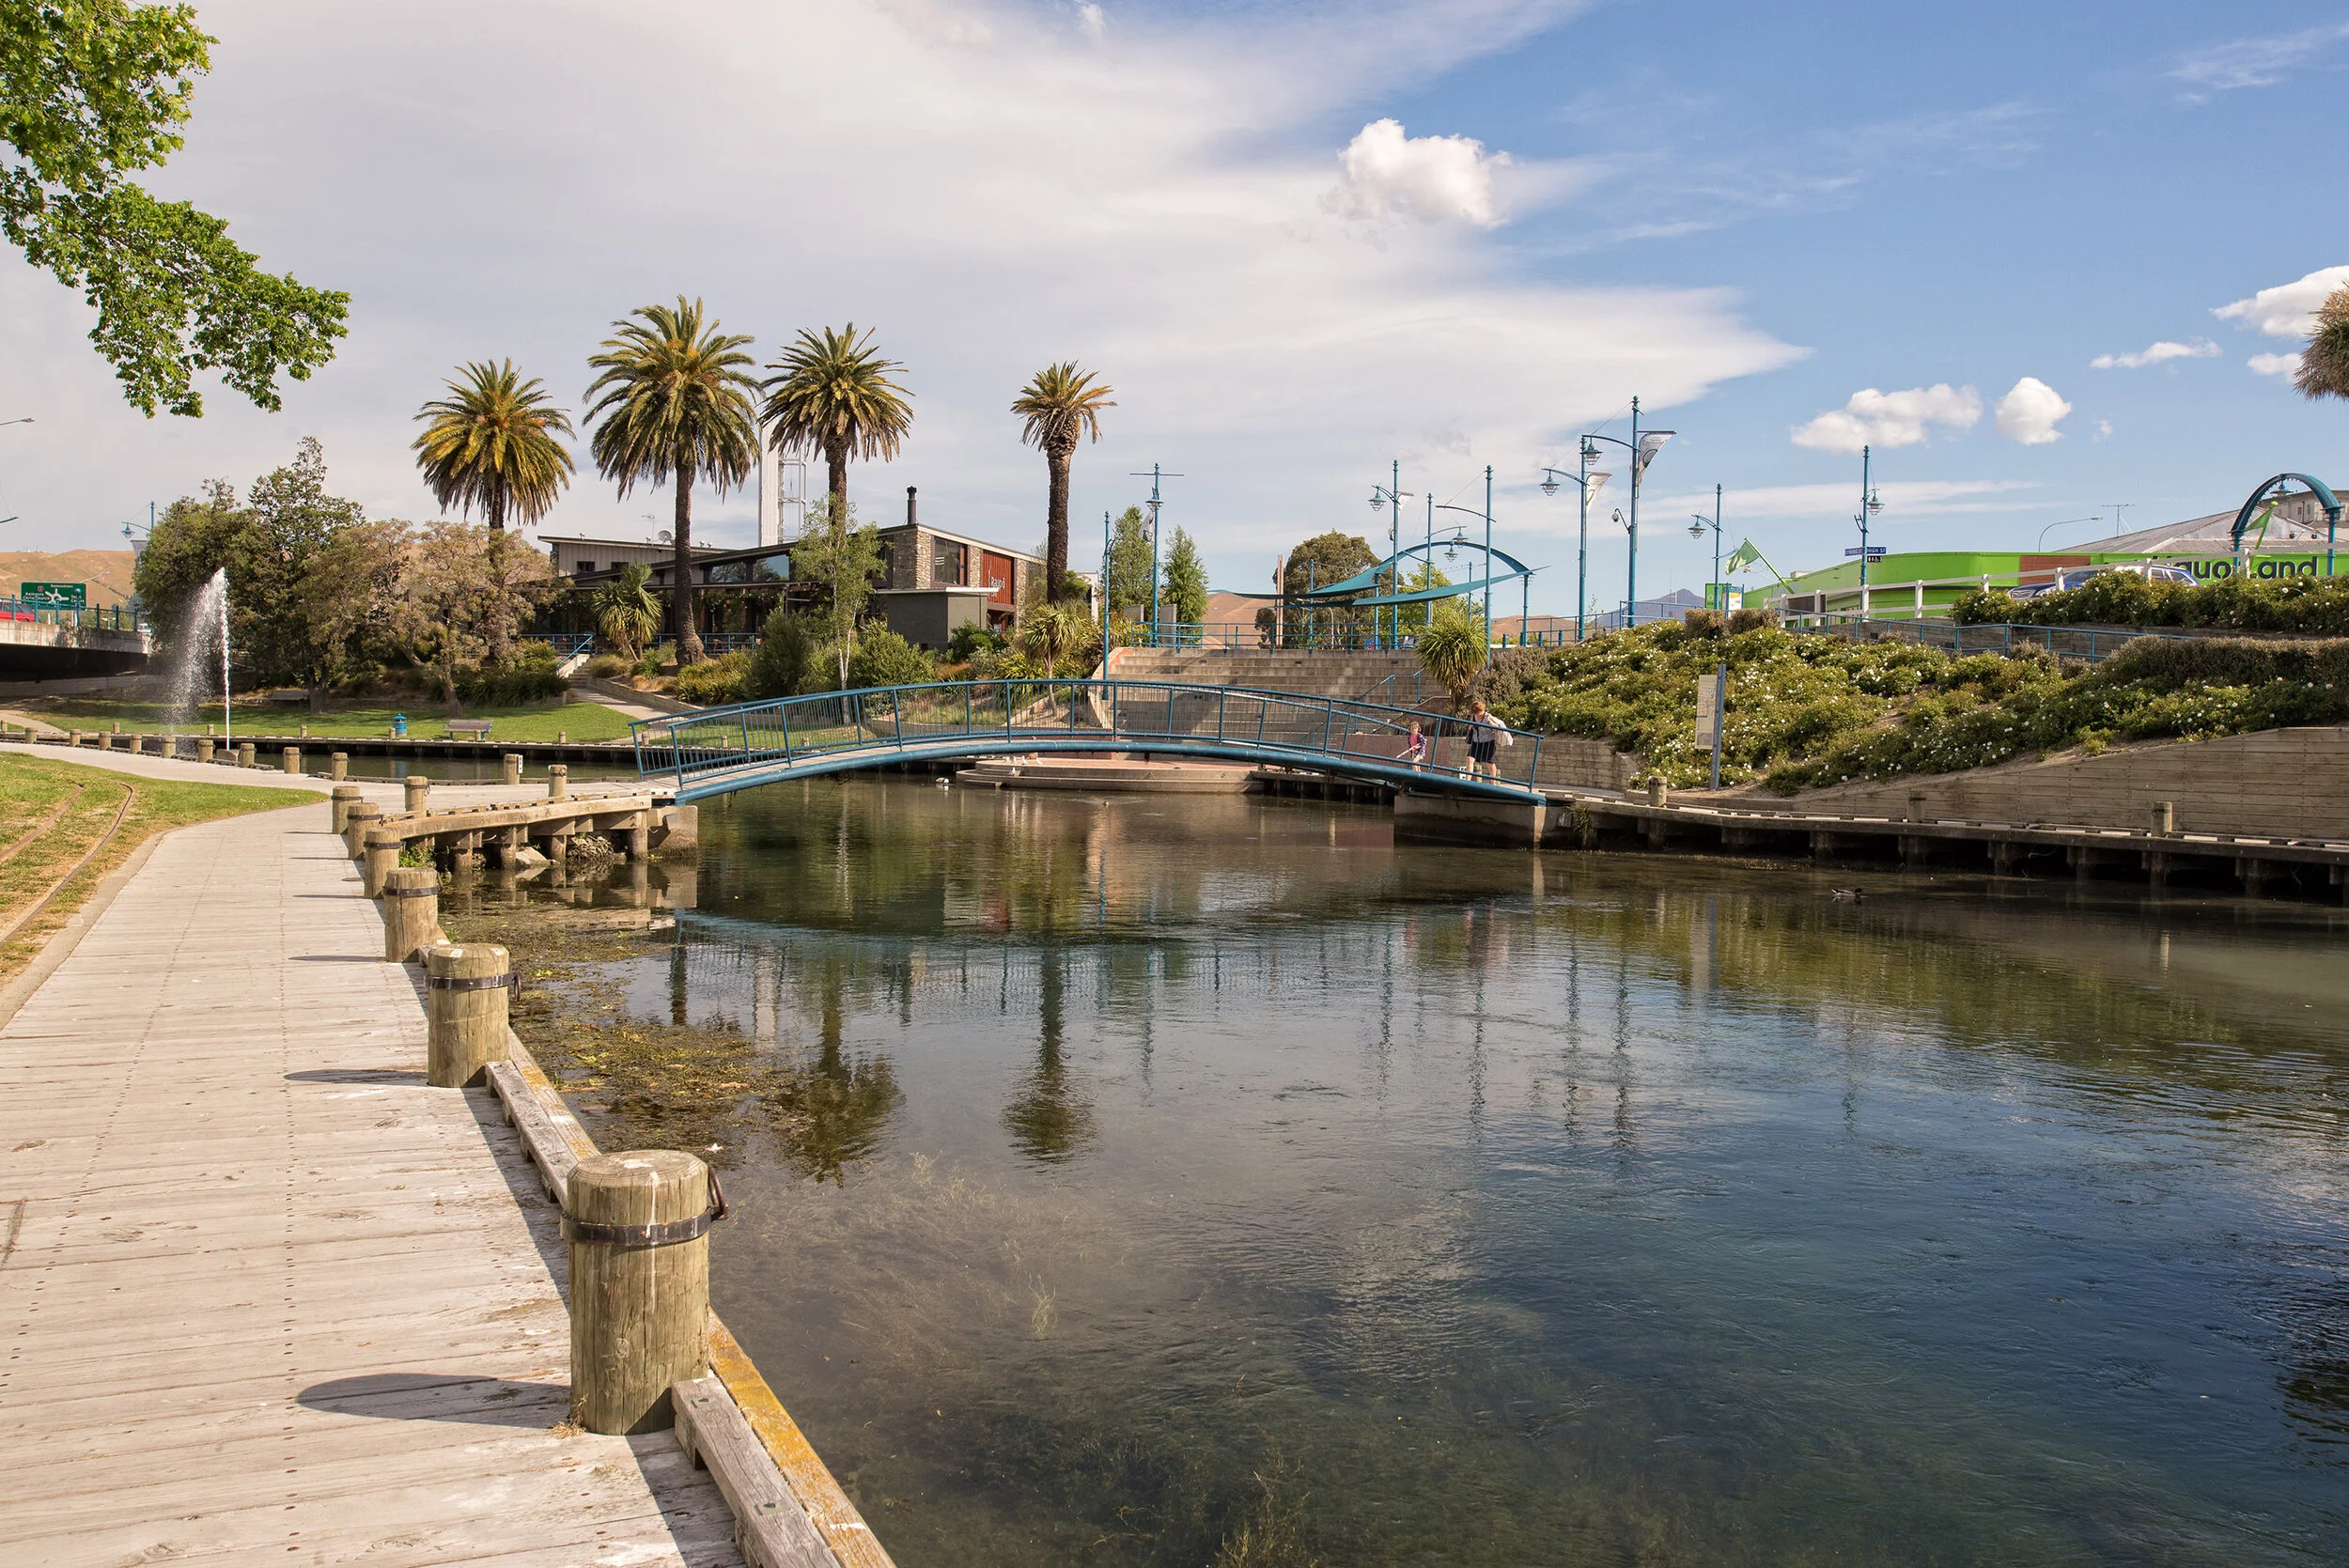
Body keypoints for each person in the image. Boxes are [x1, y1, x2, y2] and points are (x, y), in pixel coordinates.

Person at [1465, 699, 1512, 780]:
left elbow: (1497, 728)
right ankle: (1467, 781)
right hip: (1476, 742)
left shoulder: (1488, 717)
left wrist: (1489, 722)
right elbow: (1472, 729)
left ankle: (1493, 783)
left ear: (1481, 710)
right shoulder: (1473, 717)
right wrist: (1470, 728)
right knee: (1470, 760)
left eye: (1477, 712)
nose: (1476, 714)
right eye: (1474, 712)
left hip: (1488, 743)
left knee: (1490, 764)